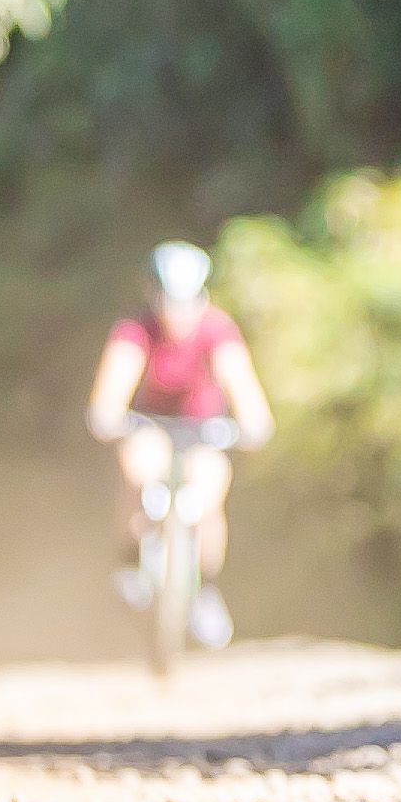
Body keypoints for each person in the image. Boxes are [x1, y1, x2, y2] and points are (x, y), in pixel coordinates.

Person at [84, 240, 272, 649]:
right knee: (138, 470)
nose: (179, 312)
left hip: (204, 428)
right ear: (153, 295)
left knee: (209, 490)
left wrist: (254, 421)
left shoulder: (217, 330)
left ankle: (206, 590)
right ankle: (130, 562)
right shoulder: (136, 330)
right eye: (170, 300)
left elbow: (243, 386)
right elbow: (113, 386)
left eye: (188, 301)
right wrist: (107, 413)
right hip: (151, 424)